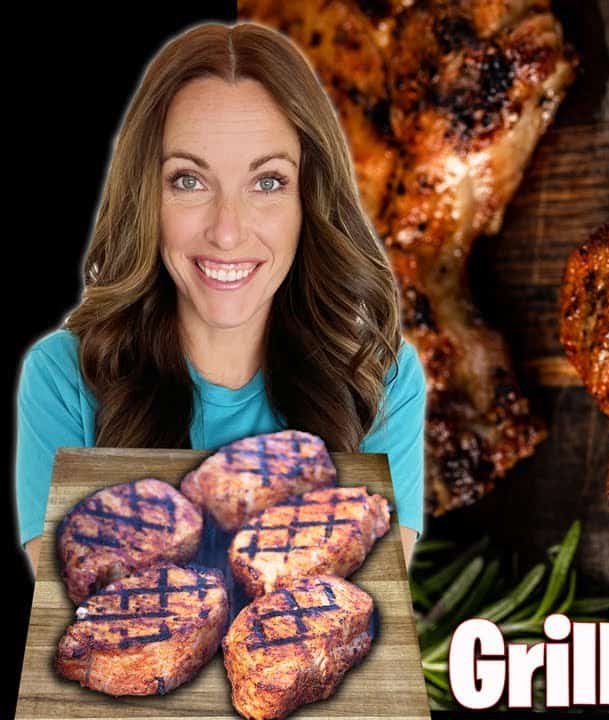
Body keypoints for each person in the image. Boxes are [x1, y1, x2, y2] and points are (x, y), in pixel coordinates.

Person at [14, 22, 425, 569]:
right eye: (189, 180)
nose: (227, 232)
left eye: (268, 182)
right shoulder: (64, 377)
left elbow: (363, 603)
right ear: (146, 197)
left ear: (310, 198)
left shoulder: (381, 376)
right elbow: (82, 608)